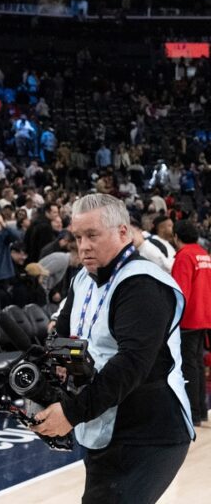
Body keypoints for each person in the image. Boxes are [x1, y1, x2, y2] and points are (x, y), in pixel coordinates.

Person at [39, 194, 195, 504]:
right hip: (105, 423)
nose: (83, 246)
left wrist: (71, 412)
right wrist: (50, 380)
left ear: (123, 232)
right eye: (78, 237)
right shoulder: (82, 279)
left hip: (149, 432)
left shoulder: (143, 284)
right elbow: (63, 336)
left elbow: (131, 364)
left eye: (92, 235)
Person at [170, 220, 211, 427]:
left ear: (176, 236)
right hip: (204, 315)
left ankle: (193, 414)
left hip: (189, 318)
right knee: (197, 364)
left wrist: (171, 319)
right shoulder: (204, 254)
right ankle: (201, 412)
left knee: (189, 365)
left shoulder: (184, 256)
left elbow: (180, 291)